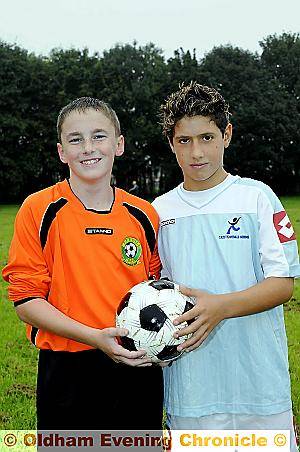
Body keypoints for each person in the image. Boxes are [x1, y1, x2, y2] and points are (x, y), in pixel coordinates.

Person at [152, 82, 299, 450]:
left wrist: (219, 308)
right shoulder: (158, 211)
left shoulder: (256, 197)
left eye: (207, 137)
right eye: (184, 141)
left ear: (227, 134)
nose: (196, 152)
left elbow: (283, 285)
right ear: (171, 143)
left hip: (259, 384)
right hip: (191, 388)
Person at [2, 97, 163, 430]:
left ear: (118, 145)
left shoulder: (144, 214)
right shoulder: (39, 209)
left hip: (136, 367)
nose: (89, 147)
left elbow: (159, 293)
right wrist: (93, 337)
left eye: (99, 136)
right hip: (66, 370)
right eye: (76, 139)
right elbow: (26, 300)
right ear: (62, 151)